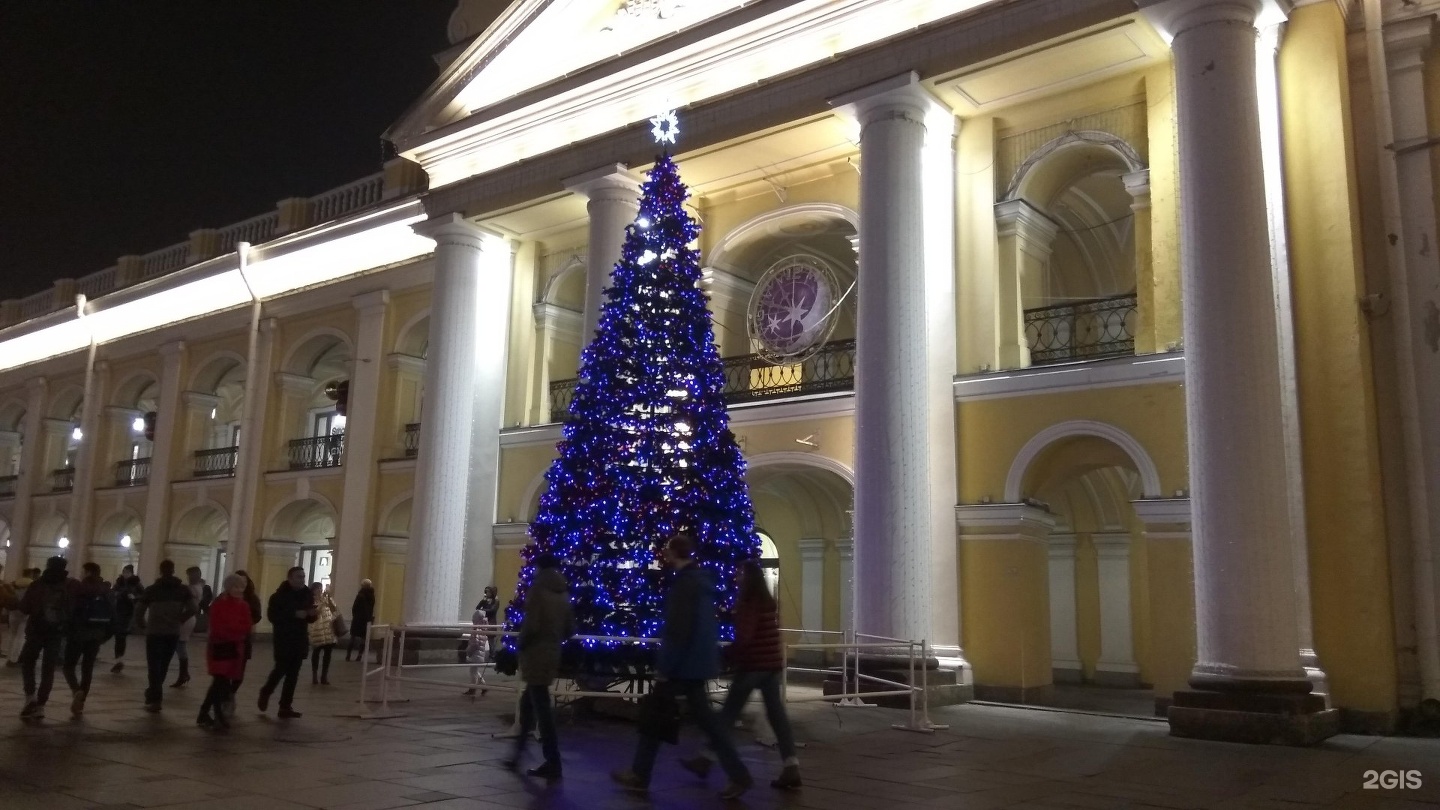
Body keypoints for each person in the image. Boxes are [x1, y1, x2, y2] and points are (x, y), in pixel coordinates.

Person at [612, 533, 752, 799]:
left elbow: (678, 629)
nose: (664, 554)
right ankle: (738, 774)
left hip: (682, 664)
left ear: (673, 553)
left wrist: (665, 665)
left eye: (667, 550)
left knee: (655, 717)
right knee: (704, 722)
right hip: (697, 663)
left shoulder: (685, 584)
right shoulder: (700, 581)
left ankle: (640, 774)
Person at [680, 559, 802, 790]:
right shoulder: (769, 602)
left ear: (749, 578)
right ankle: (791, 765)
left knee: (727, 715)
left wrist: (728, 654)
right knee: (777, 717)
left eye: (739, 574)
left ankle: (706, 760)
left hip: (752, 666)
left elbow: (745, 636)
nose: (736, 577)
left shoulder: (749, 602)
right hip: (771, 666)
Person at [503, 555, 573, 779]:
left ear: (540, 568)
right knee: (528, 705)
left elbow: (530, 626)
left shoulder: (538, 592)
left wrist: (520, 645)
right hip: (552, 655)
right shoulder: (563, 593)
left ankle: (553, 761)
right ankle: (517, 756)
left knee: (541, 710)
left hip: (535, 656)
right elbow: (571, 628)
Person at [17, 557, 78, 719]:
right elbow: (73, 610)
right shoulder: (68, 586)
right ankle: (41, 706)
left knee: (28, 662)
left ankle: (30, 697)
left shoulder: (37, 584)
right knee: (48, 669)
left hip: (36, 630)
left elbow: (24, 607)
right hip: (56, 632)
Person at [134, 559, 197, 712]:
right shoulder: (182, 590)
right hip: (172, 632)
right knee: (163, 665)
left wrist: (142, 624)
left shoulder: (152, 590)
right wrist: (180, 619)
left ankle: (155, 698)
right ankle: (153, 694)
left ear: (161, 570)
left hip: (155, 631)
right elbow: (193, 608)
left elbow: (139, 610)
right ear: (173, 570)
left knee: (154, 665)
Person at [258, 566, 315, 718]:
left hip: (300, 638)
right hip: (284, 638)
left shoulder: (307, 594)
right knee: (280, 669)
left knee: (293, 674)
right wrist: (294, 614)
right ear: (290, 578)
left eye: (303, 576)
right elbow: (273, 616)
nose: (302, 579)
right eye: (298, 576)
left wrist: (312, 614)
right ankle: (266, 691)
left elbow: (310, 617)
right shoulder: (278, 596)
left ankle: (285, 706)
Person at [198, 574, 252, 730]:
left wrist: (234, 630)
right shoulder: (219, 604)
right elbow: (217, 627)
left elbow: (247, 625)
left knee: (219, 682)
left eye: (241, 587)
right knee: (220, 681)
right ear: (228, 587)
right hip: (220, 647)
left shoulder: (243, 605)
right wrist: (235, 631)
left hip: (234, 648)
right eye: (235, 587)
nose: (238, 590)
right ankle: (217, 715)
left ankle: (204, 712)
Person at [63, 562, 114, 716]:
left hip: (78, 633)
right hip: (97, 634)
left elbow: (71, 610)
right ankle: (81, 702)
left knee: (68, 666)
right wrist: (106, 635)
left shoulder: (79, 587)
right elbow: (112, 613)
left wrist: (67, 629)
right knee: (87, 668)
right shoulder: (105, 590)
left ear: (88, 572)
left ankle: (76, 689)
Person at [173, 566, 213, 688]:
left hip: (187, 618)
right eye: (189, 575)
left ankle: (183, 673)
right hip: (187, 617)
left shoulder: (193, 588)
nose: (189, 577)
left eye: (191, 575)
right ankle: (183, 673)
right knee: (179, 645)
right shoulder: (195, 587)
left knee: (180, 645)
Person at [110, 564, 143, 673]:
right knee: (119, 637)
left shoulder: (136, 583)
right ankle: (118, 660)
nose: (125, 574)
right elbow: (113, 592)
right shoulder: (119, 582)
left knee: (121, 636)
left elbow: (143, 596)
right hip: (118, 611)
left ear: (131, 572)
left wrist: (134, 597)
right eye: (124, 572)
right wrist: (117, 594)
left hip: (128, 612)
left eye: (127, 572)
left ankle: (119, 659)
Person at [308, 582, 337, 685]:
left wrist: (329, 597)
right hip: (317, 629)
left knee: (328, 654)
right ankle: (314, 675)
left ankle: (324, 676)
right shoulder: (310, 599)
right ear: (313, 590)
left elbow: (334, 608)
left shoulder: (326, 598)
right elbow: (314, 612)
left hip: (328, 629)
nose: (320, 590)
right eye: (317, 589)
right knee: (316, 653)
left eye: (321, 588)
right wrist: (321, 603)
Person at [6, 567, 36, 666]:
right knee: (21, 636)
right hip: (25, 612)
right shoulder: (33, 584)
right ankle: (14, 659)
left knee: (12, 634)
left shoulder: (14, 583)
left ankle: (9, 656)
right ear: (31, 574)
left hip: (13, 611)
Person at [462, 597, 491, 697]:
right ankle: (484, 686)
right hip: (480, 653)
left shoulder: (476, 630)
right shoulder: (483, 629)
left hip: (476, 653)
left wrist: (468, 651)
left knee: (473, 672)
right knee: (475, 671)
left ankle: (473, 689)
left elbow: (474, 643)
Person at [346, 579, 375, 663]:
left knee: (353, 637)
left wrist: (355, 615)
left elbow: (354, 607)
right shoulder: (372, 595)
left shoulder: (360, 595)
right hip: (367, 619)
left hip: (357, 618)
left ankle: (348, 655)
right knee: (363, 638)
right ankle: (359, 655)